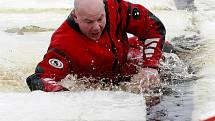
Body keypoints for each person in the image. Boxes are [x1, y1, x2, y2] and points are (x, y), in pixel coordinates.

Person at [26, 0, 167, 92]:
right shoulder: (64, 42)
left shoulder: (114, 7)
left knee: (169, 58)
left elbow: (153, 26)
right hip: (103, 82)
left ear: (104, 9)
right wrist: (65, 96)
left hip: (131, 57)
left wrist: (150, 67)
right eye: (88, 22)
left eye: (100, 19)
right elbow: (40, 78)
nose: (96, 28)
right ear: (75, 17)